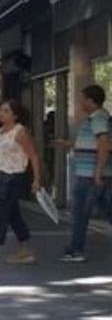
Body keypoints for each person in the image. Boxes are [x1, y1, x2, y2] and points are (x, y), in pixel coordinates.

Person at [0, 100, 44, 267]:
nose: (1, 113)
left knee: (2, 214)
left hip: (14, 178)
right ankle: (24, 248)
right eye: (2, 110)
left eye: (6, 111)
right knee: (12, 214)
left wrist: (37, 179)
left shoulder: (20, 132)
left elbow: (33, 156)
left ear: (15, 115)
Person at [56, 84, 112, 263]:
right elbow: (95, 145)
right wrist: (70, 145)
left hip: (90, 176)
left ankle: (75, 250)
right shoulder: (96, 119)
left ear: (91, 101)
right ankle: (74, 249)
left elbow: (103, 145)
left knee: (80, 213)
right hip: (94, 175)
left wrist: (97, 173)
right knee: (107, 211)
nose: (80, 102)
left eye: (83, 99)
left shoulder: (98, 119)